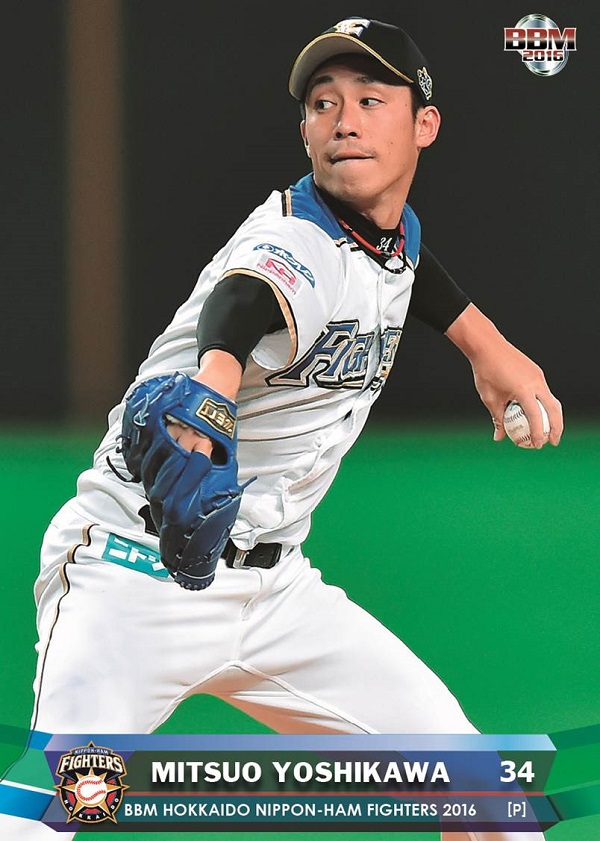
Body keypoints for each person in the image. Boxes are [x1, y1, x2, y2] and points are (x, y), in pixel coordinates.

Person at [0, 16, 562, 840]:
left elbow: (404, 260)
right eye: (323, 104)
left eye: (370, 100)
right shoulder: (293, 238)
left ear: (425, 126)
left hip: (277, 595)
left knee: (489, 798)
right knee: (46, 814)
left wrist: (486, 344)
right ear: (304, 133)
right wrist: (214, 386)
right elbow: (244, 301)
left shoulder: (383, 234)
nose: (344, 120)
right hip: (134, 580)